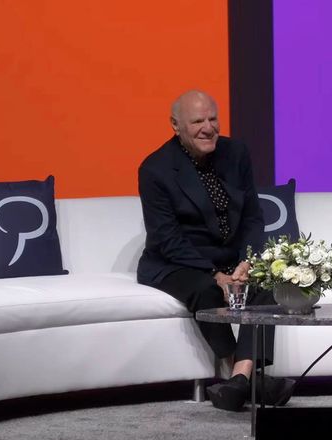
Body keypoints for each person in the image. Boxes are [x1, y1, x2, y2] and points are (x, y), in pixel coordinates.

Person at [137, 90, 294, 411]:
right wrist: (216, 274)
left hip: (230, 259)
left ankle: (238, 381)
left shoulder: (236, 153)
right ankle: (251, 380)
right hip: (177, 261)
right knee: (206, 290)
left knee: (267, 287)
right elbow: (167, 239)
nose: (208, 128)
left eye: (213, 119)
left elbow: (252, 216)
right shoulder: (155, 169)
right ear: (175, 125)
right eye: (197, 121)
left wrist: (247, 261)